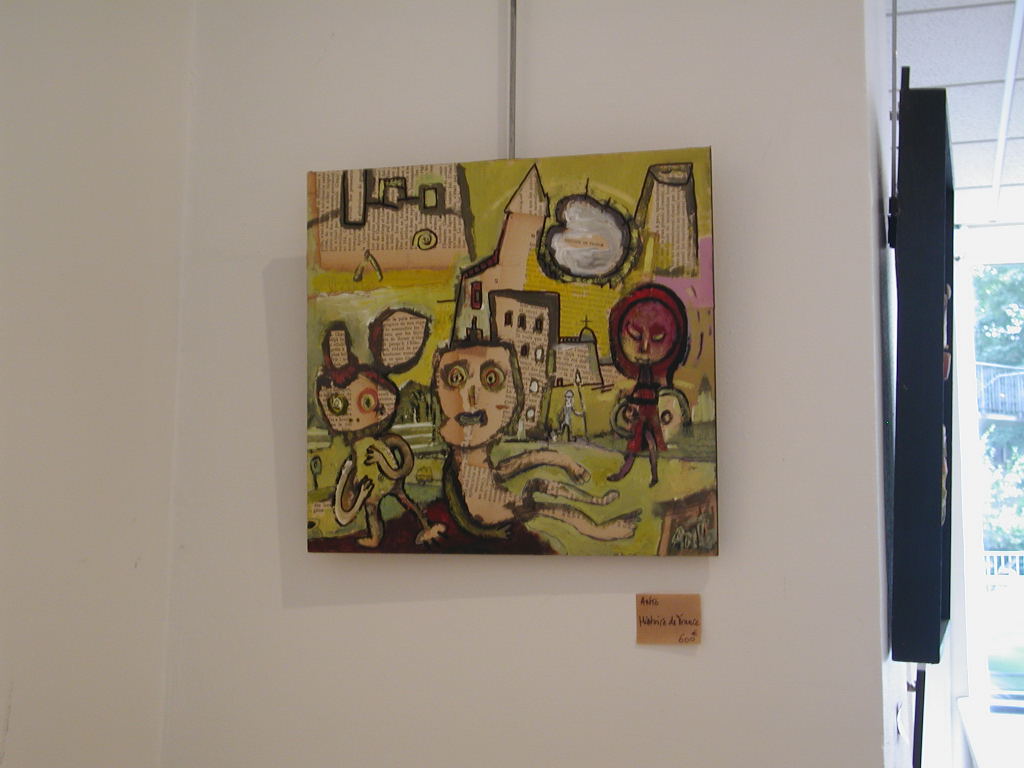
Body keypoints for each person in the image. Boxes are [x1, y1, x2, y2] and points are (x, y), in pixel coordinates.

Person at [606, 283, 688, 486]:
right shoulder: (639, 380)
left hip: (650, 413)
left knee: (650, 444)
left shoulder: (656, 382)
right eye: (634, 335)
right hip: (640, 414)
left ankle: (652, 475)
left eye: (658, 338)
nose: (644, 347)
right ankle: (632, 473)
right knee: (637, 446)